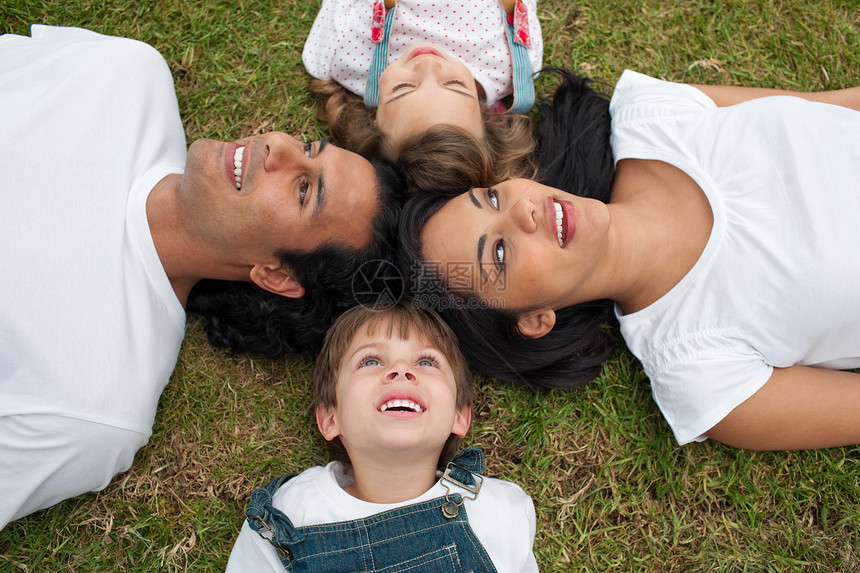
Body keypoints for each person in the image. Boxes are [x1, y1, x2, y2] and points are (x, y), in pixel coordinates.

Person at [0, 24, 402, 529]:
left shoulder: (94, 407)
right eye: (308, 146)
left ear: (276, 276)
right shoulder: (126, 77)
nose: (276, 146)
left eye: (303, 190)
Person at [399, 68, 860, 451]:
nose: (523, 210)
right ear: (535, 320)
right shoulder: (701, 372)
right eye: (497, 252)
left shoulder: (649, 117)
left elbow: (841, 104)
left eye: (494, 199)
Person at [225, 302, 538, 572]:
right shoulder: (288, 516)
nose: (401, 370)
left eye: (426, 362)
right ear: (331, 418)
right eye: (371, 361)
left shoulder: (500, 511)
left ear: (460, 417)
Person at [303, 0, 543, 195]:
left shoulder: (348, 56)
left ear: (373, 120)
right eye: (455, 84)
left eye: (404, 86)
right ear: (487, 116)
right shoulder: (512, 63)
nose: (428, 63)